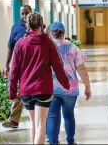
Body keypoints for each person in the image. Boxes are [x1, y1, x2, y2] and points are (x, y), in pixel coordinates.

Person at [9, 12, 70, 144]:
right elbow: (57, 66)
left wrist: (12, 91)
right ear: (42, 25)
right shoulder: (48, 42)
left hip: (26, 90)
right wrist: (65, 84)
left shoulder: (20, 43)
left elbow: (14, 70)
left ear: (27, 25)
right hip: (43, 89)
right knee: (41, 125)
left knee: (33, 125)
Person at [46, 22, 92, 145]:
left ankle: (53, 142)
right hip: (70, 89)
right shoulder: (73, 48)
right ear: (64, 33)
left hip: (52, 88)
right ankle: (70, 141)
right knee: (68, 115)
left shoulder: (46, 48)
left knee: (52, 117)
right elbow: (82, 69)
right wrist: (87, 86)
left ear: (50, 34)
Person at [3, 5, 33, 128]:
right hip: (20, 65)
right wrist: (7, 64)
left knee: (33, 90)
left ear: (31, 13)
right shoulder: (15, 28)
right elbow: (10, 47)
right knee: (19, 89)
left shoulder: (38, 25)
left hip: (34, 64)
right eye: (22, 14)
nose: (24, 16)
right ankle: (14, 120)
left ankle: (40, 120)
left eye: (27, 13)